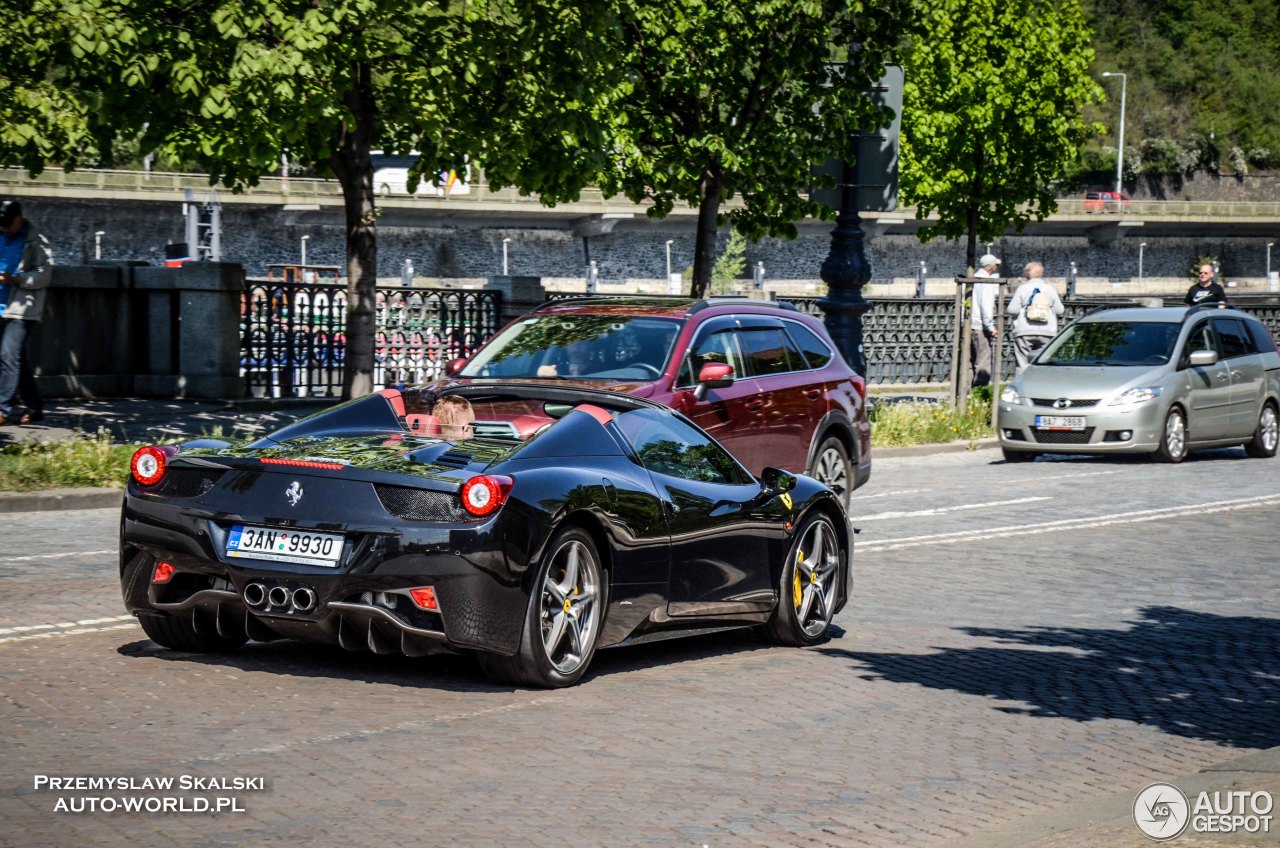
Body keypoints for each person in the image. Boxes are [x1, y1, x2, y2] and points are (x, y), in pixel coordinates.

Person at [0, 200, 52, 426]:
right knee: (15, 360)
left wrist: (16, 279)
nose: (5, 230)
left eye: (8, 225)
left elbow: (44, 274)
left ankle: (2, 409)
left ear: (19, 219)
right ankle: (35, 406)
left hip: (21, 308)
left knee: (9, 355)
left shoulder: (36, 241)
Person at [1006, 261, 1065, 374]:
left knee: (1022, 364)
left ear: (1027, 274)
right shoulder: (1050, 289)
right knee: (1044, 363)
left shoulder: (1023, 288)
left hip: (1024, 331)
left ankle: (1022, 388)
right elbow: (1060, 310)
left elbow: (1012, 309)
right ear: (1041, 273)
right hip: (1047, 331)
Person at [970, 253, 1001, 387]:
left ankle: (965, 395)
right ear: (991, 266)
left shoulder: (972, 279)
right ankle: (980, 394)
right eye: (996, 265)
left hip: (968, 325)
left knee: (969, 362)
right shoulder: (987, 281)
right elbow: (986, 306)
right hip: (980, 326)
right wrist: (991, 327)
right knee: (983, 361)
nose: (997, 267)